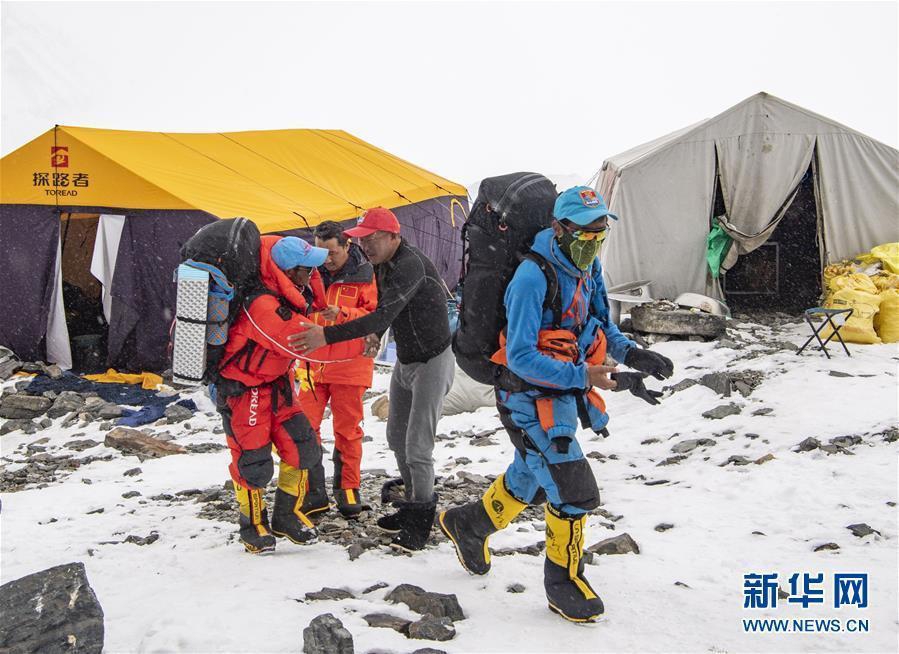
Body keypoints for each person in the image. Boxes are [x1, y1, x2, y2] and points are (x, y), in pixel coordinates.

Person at [438, 187, 673, 622]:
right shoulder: (531, 277)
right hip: (523, 397)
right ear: (559, 228)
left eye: (600, 234)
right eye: (584, 235)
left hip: (561, 395)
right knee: (572, 489)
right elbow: (523, 356)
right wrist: (586, 376)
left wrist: (632, 355)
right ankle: (563, 582)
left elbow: (598, 323)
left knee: (530, 476)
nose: (592, 243)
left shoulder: (589, 267)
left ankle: (468, 525)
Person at [290, 207, 454, 551]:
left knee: (417, 445)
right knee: (396, 435)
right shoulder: (382, 263)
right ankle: (412, 502)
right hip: (407, 360)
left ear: (394, 235)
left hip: (433, 360)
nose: (366, 245)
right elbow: (385, 315)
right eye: (362, 239)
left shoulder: (411, 264)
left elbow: (384, 311)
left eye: (373, 238)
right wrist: (376, 334)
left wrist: (328, 335)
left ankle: (420, 518)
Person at [216, 235, 362, 554]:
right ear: (290, 271)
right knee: (252, 461)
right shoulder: (263, 306)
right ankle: (252, 525)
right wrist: (361, 344)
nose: (313, 275)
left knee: (303, 448)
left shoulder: (284, 297)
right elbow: (306, 342)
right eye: (307, 269)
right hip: (245, 391)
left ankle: (285, 515)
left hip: (276, 385)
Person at [298, 221, 378, 518]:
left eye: (332, 252)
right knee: (305, 429)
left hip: (350, 364)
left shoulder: (366, 275)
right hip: (310, 364)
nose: (326, 259)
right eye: (320, 253)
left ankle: (348, 489)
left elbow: (375, 314)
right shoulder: (306, 273)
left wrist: (342, 314)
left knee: (347, 430)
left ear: (347, 246)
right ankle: (311, 490)